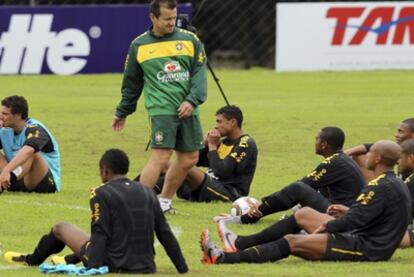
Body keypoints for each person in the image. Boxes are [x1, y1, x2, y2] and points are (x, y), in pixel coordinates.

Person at [201, 140, 411, 264]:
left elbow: (355, 220)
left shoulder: (380, 186)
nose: (366, 158)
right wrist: (348, 211)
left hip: (368, 248)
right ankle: (238, 243)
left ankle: (223, 259)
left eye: (370, 154)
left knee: (292, 241)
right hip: (366, 235)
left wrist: (329, 224)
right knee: (302, 214)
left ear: (378, 159)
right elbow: (376, 215)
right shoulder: (391, 182)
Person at [3, 149, 188, 274]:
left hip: (112, 264)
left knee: (61, 227)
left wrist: (94, 268)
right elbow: (164, 232)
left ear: (105, 171)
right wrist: (182, 267)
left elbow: (100, 233)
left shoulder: (100, 192)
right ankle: (67, 259)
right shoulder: (147, 191)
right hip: (147, 266)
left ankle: (31, 259)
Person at [112, 0, 207, 213]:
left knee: (189, 158)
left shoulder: (190, 40)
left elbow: (200, 74)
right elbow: (132, 83)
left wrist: (192, 101)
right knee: (161, 157)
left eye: (174, 18)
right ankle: (137, 206)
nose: (172, 23)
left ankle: (163, 202)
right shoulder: (139, 45)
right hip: (162, 110)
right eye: (167, 19)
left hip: (189, 109)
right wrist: (123, 111)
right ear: (153, 18)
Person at [221, 126, 365, 225]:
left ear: (324, 144)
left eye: (317, 139)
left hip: (342, 215)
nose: (315, 142)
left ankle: (245, 219)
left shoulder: (333, 163)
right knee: (309, 189)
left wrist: (263, 202)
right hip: (348, 211)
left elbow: (302, 185)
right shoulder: (340, 159)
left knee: (297, 188)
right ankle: (296, 218)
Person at [155, 105, 257, 204]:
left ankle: (159, 200)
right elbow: (196, 160)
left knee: (182, 166)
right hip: (207, 187)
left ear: (233, 122)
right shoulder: (225, 141)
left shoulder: (245, 144)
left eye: (219, 122)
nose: (216, 126)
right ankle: (143, 191)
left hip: (228, 193)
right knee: (166, 164)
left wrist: (212, 146)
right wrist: (204, 144)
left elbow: (222, 172)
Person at [0, 95, 61, 193]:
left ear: (18, 115)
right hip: (16, 178)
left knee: (32, 153)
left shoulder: (35, 128)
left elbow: (29, 150)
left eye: (5, 114)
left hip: (43, 181)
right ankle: (6, 182)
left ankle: (3, 184)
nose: (1, 117)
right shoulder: (4, 130)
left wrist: (6, 171)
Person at [345, 118, 414, 182]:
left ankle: (375, 188)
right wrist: (344, 154)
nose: (396, 135)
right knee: (359, 157)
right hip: (398, 186)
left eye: (401, 132)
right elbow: (372, 147)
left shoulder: (407, 153)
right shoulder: (404, 148)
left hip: (402, 191)